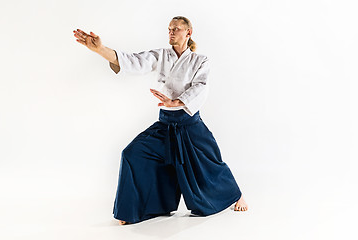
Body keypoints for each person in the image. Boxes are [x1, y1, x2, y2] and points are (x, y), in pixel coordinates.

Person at [73, 16, 248, 225]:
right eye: (169, 29)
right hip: (165, 123)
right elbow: (134, 61)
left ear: (188, 33)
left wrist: (178, 101)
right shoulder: (161, 55)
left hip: (189, 122)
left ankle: (236, 195)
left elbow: (201, 86)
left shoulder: (200, 60)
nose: (171, 32)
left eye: (176, 29)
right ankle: (138, 209)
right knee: (132, 153)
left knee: (209, 164)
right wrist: (101, 50)